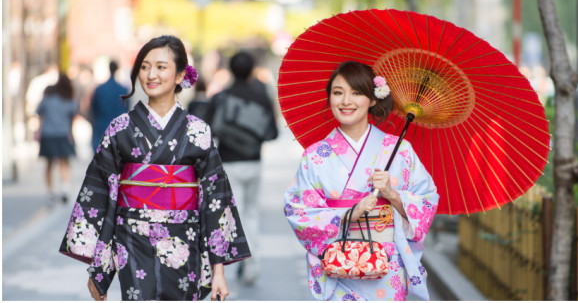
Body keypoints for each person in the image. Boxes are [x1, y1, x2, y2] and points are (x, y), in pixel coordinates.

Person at [58, 35, 250, 301]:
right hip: (132, 238)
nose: (151, 74)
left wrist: (218, 270)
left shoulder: (198, 131)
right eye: (145, 66)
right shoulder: (120, 128)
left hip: (185, 236)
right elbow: (98, 191)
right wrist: (98, 268)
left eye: (161, 67)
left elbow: (216, 200)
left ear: (181, 74)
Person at [284, 61, 439, 300]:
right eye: (338, 93)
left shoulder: (400, 151)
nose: (346, 101)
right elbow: (297, 209)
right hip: (336, 262)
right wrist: (347, 215)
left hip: (387, 266)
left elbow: (427, 199)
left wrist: (392, 195)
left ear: (373, 99)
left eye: (356, 93)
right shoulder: (315, 155)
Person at [203, 51, 278, 285]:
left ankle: (231, 262)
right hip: (254, 162)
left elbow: (208, 131)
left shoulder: (221, 97)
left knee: (233, 215)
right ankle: (251, 264)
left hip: (229, 163)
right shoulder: (262, 97)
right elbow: (272, 133)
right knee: (252, 213)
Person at [36, 72, 78, 204]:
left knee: (49, 164)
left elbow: (39, 113)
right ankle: (65, 189)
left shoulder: (48, 97)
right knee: (64, 162)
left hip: (48, 133)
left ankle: (50, 192)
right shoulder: (70, 99)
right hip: (63, 133)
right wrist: (71, 134)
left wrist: (38, 130)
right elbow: (72, 118)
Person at [89, 60, 129, 149]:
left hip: (101, 126)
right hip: (118, 128)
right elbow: (126, 109)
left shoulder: (100, 89)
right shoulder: (123, 89)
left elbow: (93, 108)